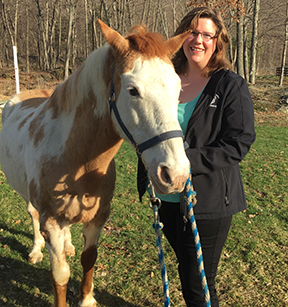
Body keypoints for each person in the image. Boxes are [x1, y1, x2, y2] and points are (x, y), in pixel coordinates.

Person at [137, 6, 256, 307]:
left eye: (206, 34)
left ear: (218, 41)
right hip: (166, 199)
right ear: (181, 37)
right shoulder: (166, 79)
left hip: (208, 203)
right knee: (187, 269)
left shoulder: (229, 85)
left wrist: (188, 160)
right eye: (192, 32)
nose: (198, 40)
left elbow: (239, 142)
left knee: (198, 282)